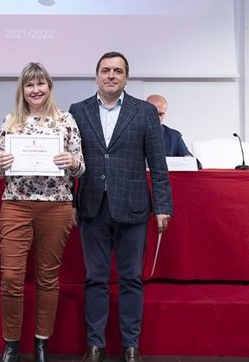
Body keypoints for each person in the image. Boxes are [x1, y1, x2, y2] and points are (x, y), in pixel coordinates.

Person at [69, 52, 172, 362]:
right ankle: (95, 345)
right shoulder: (78, 111)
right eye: (105, 70)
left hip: (134, 207)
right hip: (91, 207)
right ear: (96, 75)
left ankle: (130, 345)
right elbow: (72, 162)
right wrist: (70, 203)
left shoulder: (144, 113)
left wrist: (163, 206)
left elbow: (158, 163)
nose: (111, 75)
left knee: (130, 279)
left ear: (126, 77)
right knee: (95, 279)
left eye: (117, 71)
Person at [0, 63, 85, 362]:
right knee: (11, 277)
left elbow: (81, 166)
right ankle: (11, 345)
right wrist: (0, 165)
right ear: (23, 90)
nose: (36, 90)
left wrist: (70, 160)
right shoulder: (11, 121)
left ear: (49, 87)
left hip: (56, 205)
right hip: (16, 204)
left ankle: (41, 343)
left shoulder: (65, 121)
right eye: (30, 85)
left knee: (48, 277)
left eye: (41, 84)